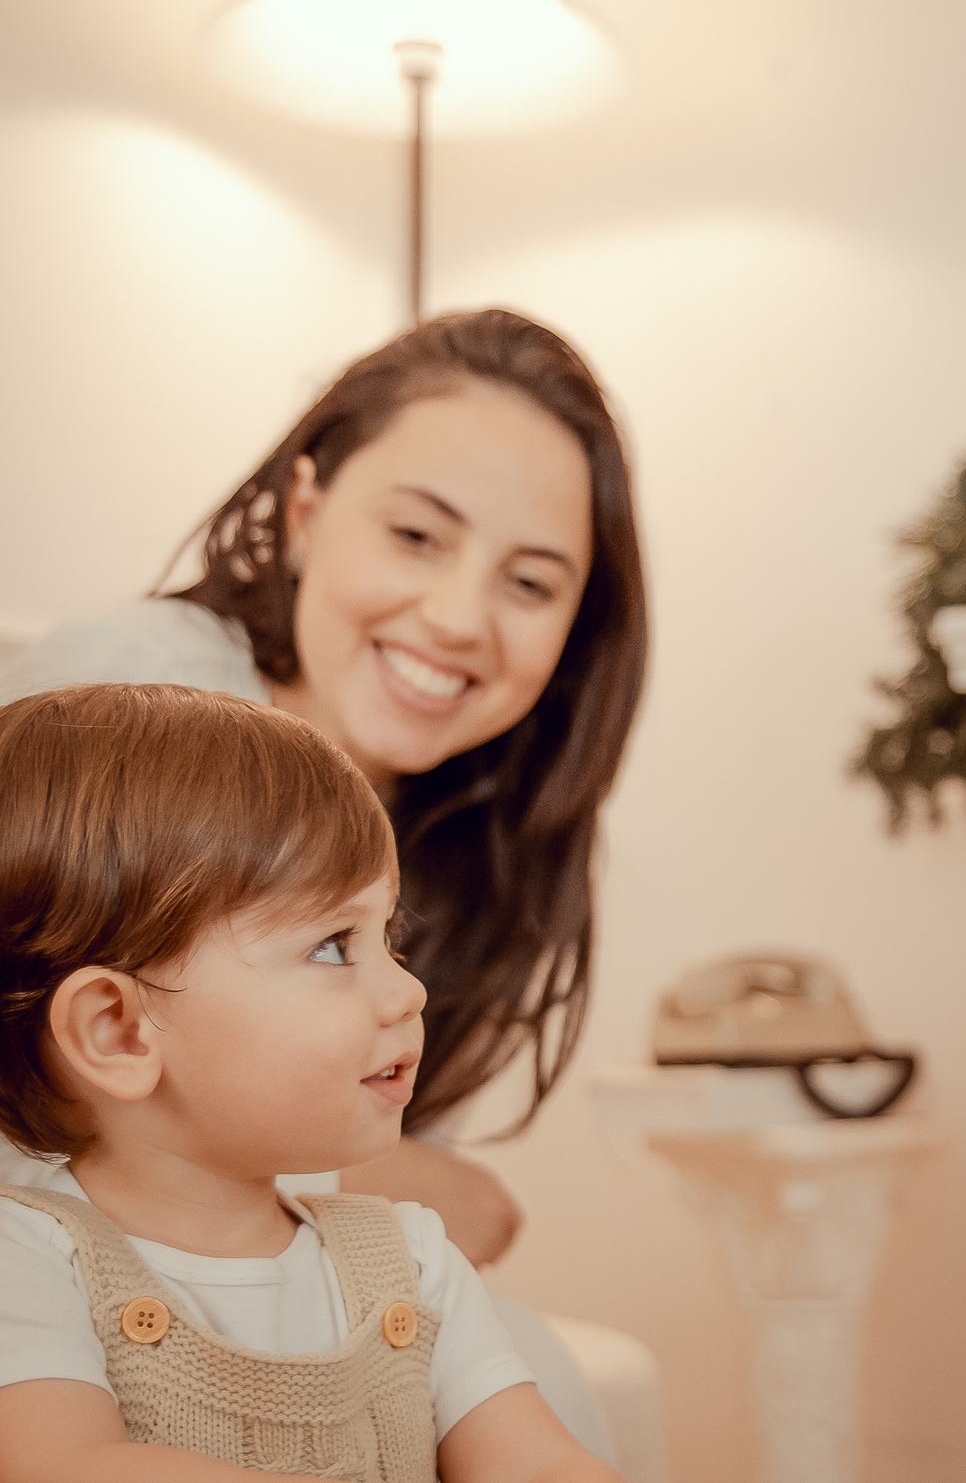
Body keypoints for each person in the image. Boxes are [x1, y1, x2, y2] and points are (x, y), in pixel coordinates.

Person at [0, 308, 647, 1271]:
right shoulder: (124, 706)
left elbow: (393, 1195)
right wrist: (360, 1183)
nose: (459, 618)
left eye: (530, 584)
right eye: (418, 535)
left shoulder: (489, 837)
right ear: (304, 515)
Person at [0, 682, 624, 1483]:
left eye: (388, 937)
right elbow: (66, 1466)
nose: (409, 991)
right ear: (118, 1031)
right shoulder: (27, 1262)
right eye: (333, 945)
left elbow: (536, 1464)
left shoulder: (412, 1265)